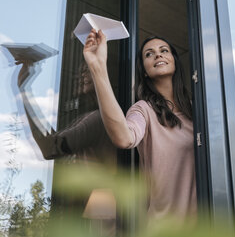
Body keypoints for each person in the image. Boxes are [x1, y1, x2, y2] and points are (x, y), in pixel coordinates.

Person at [83, 29, 197, 223]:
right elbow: (124, 137)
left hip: (206, 233)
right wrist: (98, 67)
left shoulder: (197, 111)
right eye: (149, 54)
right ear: (144, 70)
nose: (158, 54)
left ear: (175, 61)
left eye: (164, 50)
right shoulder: (143, 110)